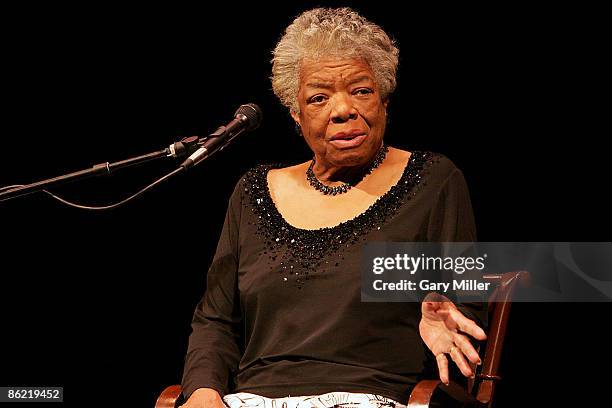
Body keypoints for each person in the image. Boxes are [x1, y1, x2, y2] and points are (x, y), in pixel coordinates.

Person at [180, 7, 486, 408]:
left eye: (361, 90)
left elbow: (463, 303)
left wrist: (439, 303)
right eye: (319, 98)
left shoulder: (432, 180)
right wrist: (204, 393)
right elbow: (215, 321)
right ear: (297, 115)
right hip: (252, 400)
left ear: (384, 101)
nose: (343, 110)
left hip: (370, 396)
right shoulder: (252, 192)